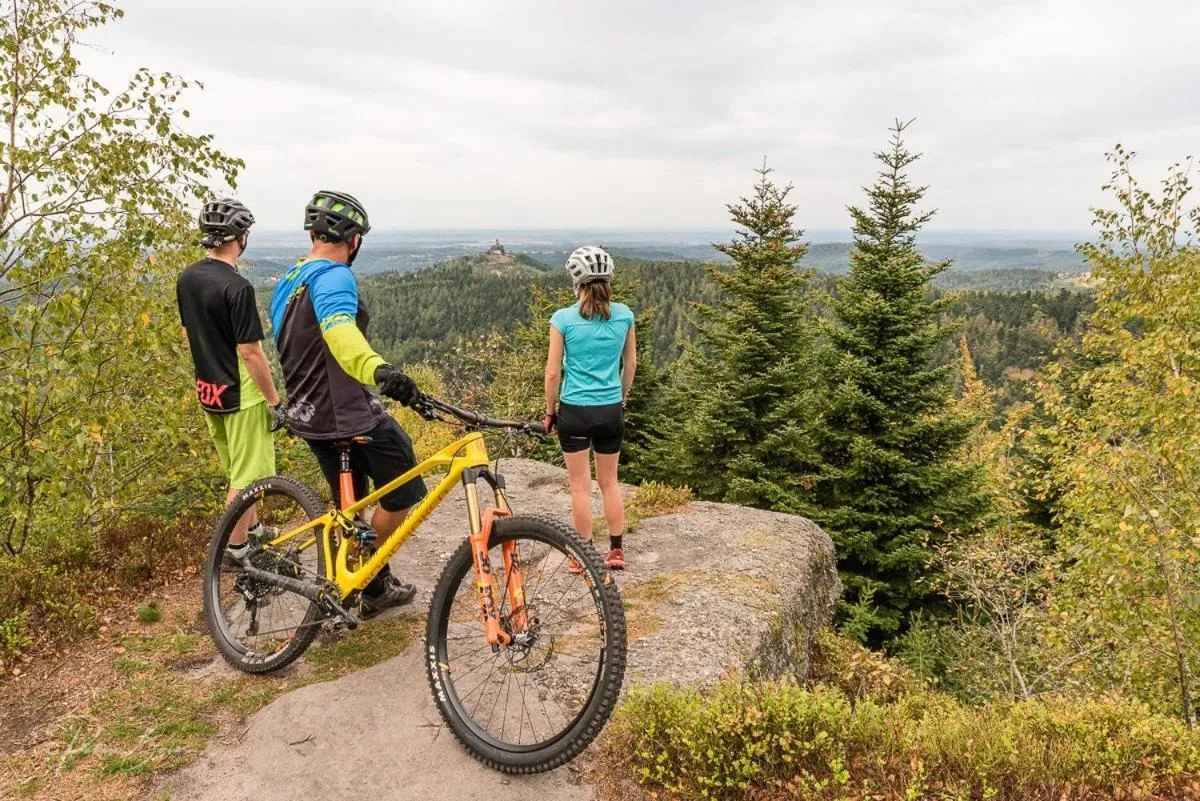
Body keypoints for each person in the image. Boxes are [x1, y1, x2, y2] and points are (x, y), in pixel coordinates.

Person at [270, 190, 426, 617]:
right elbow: (340, 331)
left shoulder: (289, 279)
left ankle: (356, 583)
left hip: (308, 415)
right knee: (404, 491)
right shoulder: (334, 276)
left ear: (311, 231)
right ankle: (369, 580)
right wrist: (380, 370)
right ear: (354, 240)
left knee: (348, 507)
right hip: (350, 413)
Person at [177, 198, 286, 563]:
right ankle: (236, 551)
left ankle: (252, 532)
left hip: (209, 388)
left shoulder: (187, 278)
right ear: (241, 237)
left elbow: (186, 334)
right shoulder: (238, 288)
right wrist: (274, 401)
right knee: (247, 479)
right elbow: (251, 353)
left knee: (238, 469)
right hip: (242, 394)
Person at [544, 246, 637, 570]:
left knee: (579, 487)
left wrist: (550, 410)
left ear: (576, 282)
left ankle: (581, 556)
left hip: (574, 410)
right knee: (609, 483)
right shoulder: (624, 315)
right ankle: (616, 551)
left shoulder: (563, 319)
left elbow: (553, 372)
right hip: (610, 409)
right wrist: (621, 398)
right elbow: (631, 364)